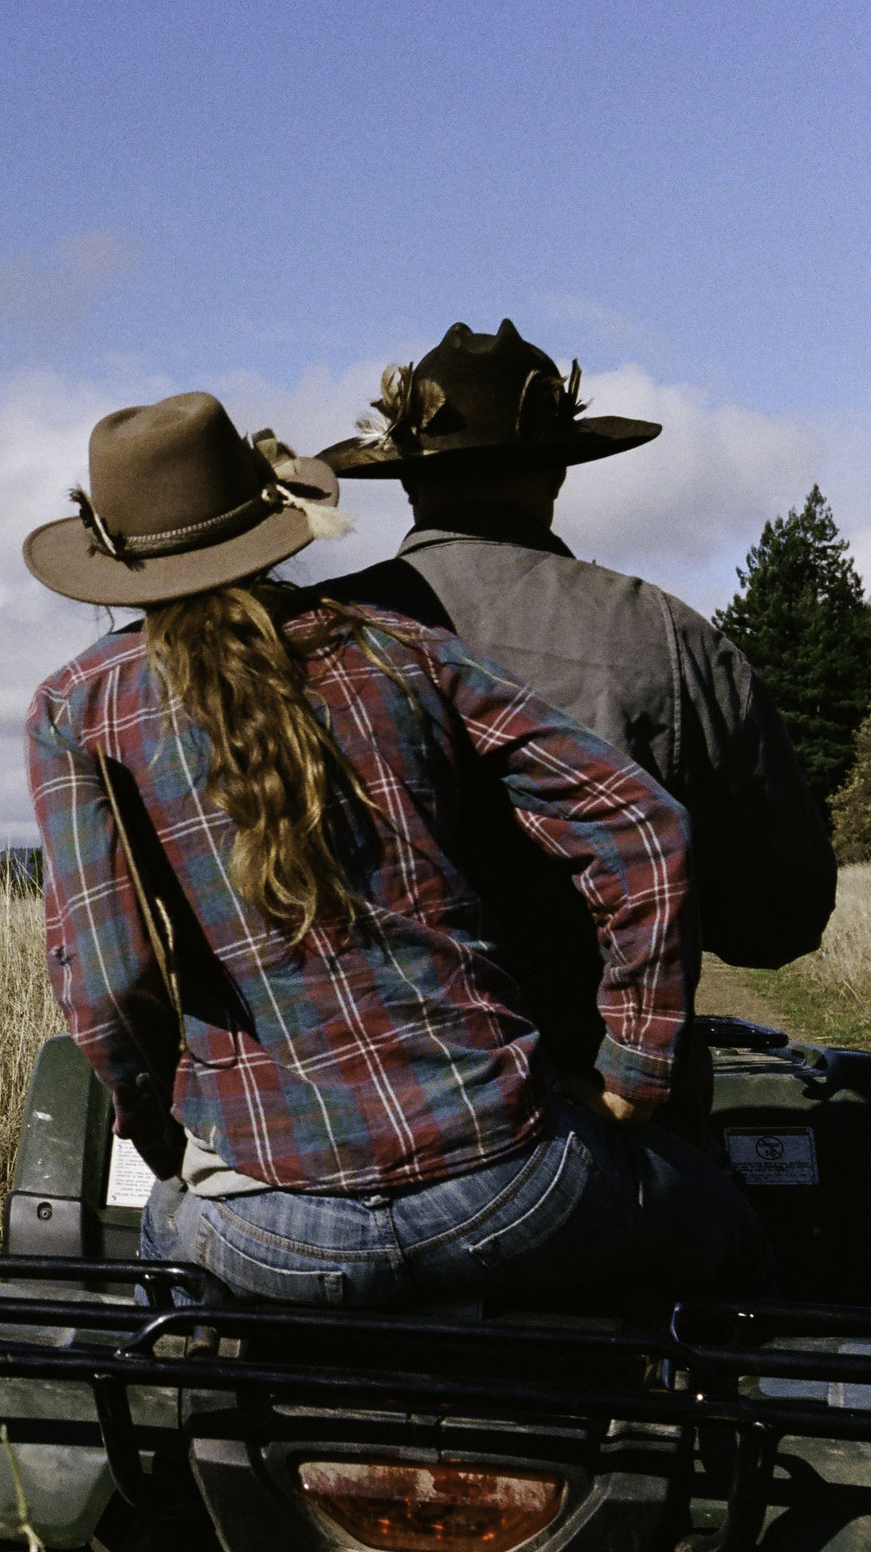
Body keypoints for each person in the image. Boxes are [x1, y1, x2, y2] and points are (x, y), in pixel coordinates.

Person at [23, 391, 769, 1309]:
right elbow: (643, 827)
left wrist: (155, 1132)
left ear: (113, 557)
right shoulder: (399, 649)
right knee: (729, 1233)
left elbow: (107, 984)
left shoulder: (77, 709)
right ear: (274, 517)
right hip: (513, 1189)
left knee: (168, 1278)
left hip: (268, 1231)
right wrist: (633, 1074)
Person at [316, 320, 835, 1092]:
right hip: (612, 1116)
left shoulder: (299, 638)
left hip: (351, 1120)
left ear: (403, 478)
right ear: (557, 473)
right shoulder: (670, 637)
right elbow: (778, 920)